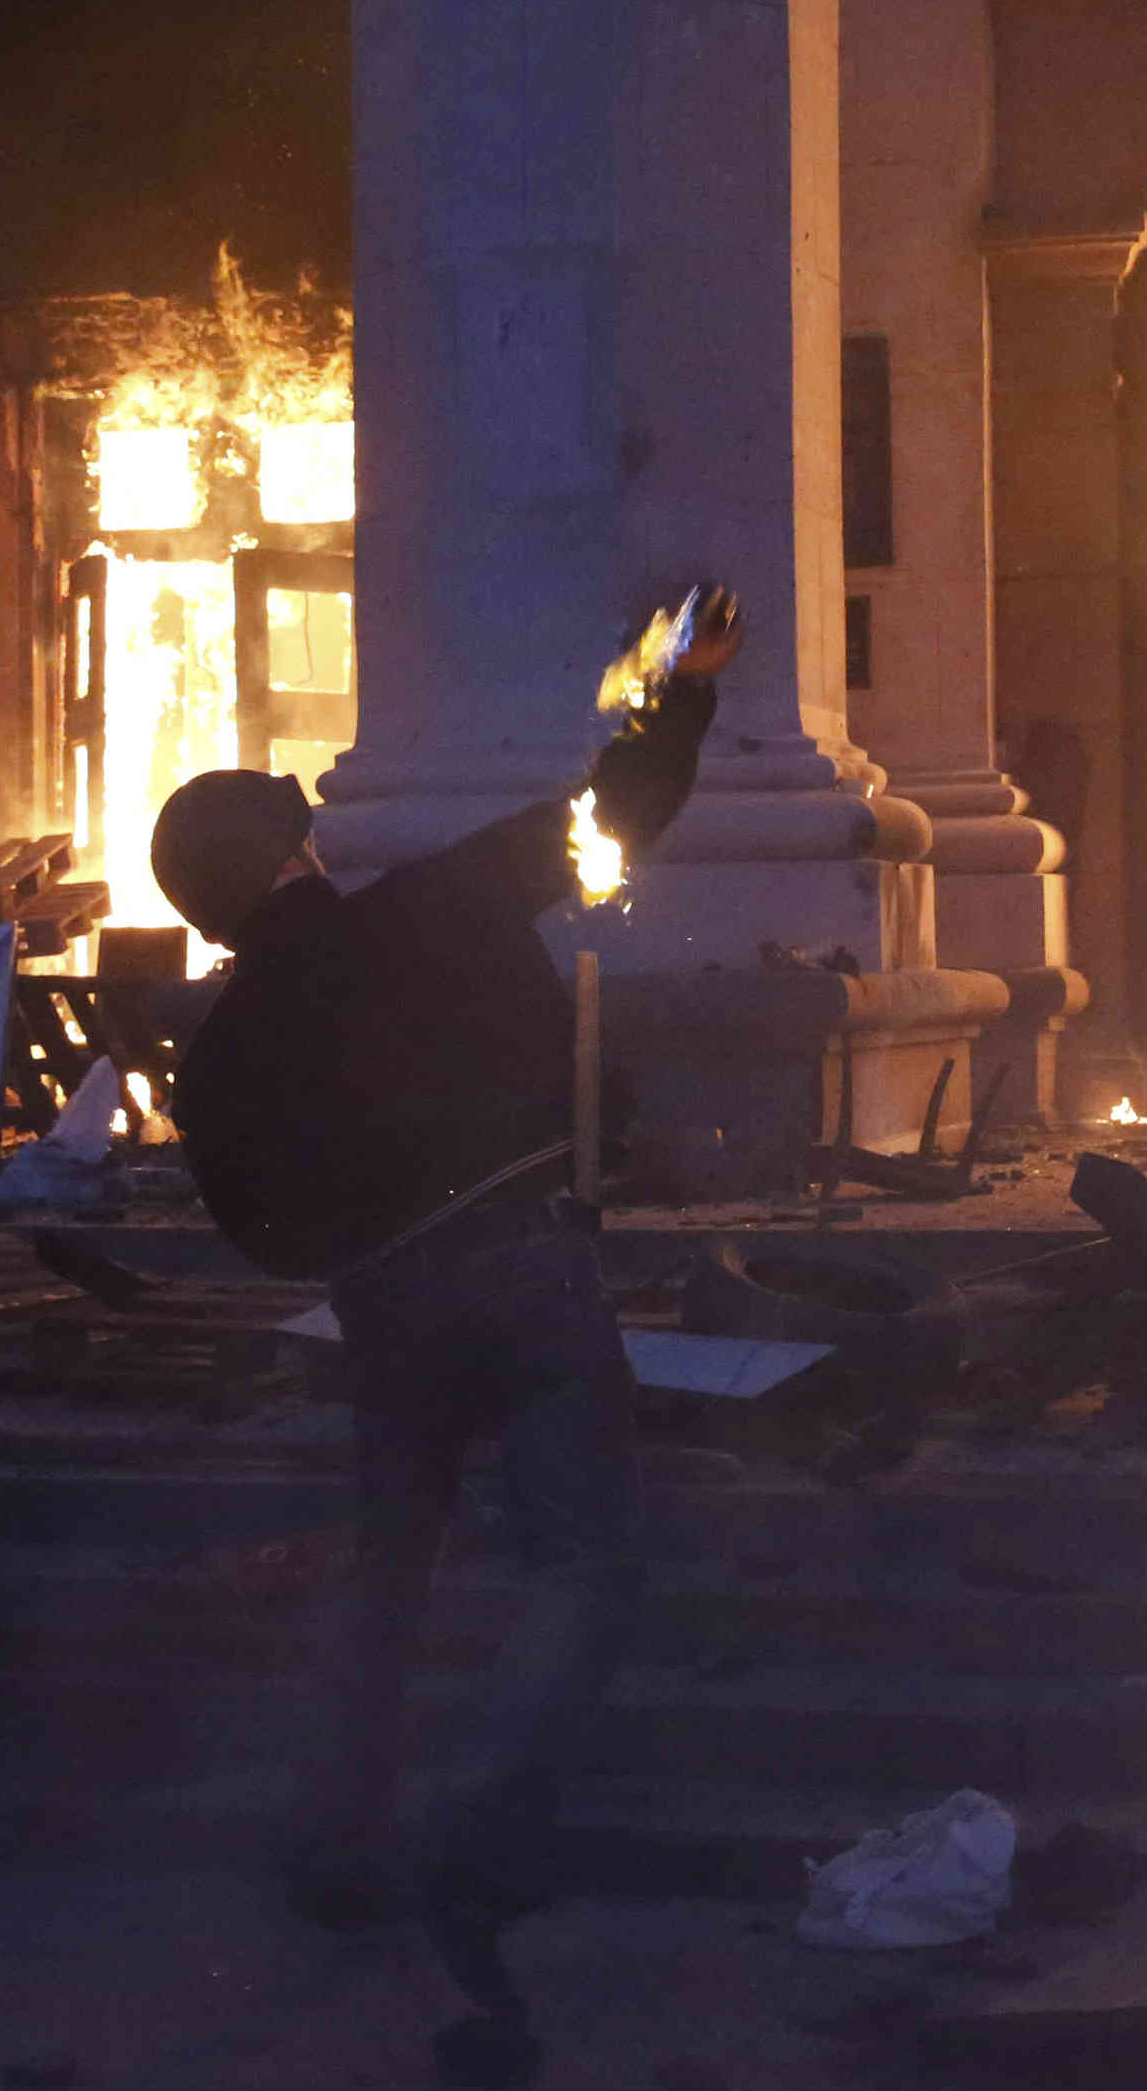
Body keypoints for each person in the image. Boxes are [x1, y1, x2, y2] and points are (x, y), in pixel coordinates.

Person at [158, 588, 742, 2073]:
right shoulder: (434, 905)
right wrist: (673, 688)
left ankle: (333, 1841)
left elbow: (252, 1230)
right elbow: (623, 809)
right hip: (521, 1264)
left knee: (389, 1569)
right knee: (578, 1561)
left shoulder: (215, 1046)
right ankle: (467, 1841)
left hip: (380, 1302)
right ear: (295, 854)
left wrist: (359, 1240)